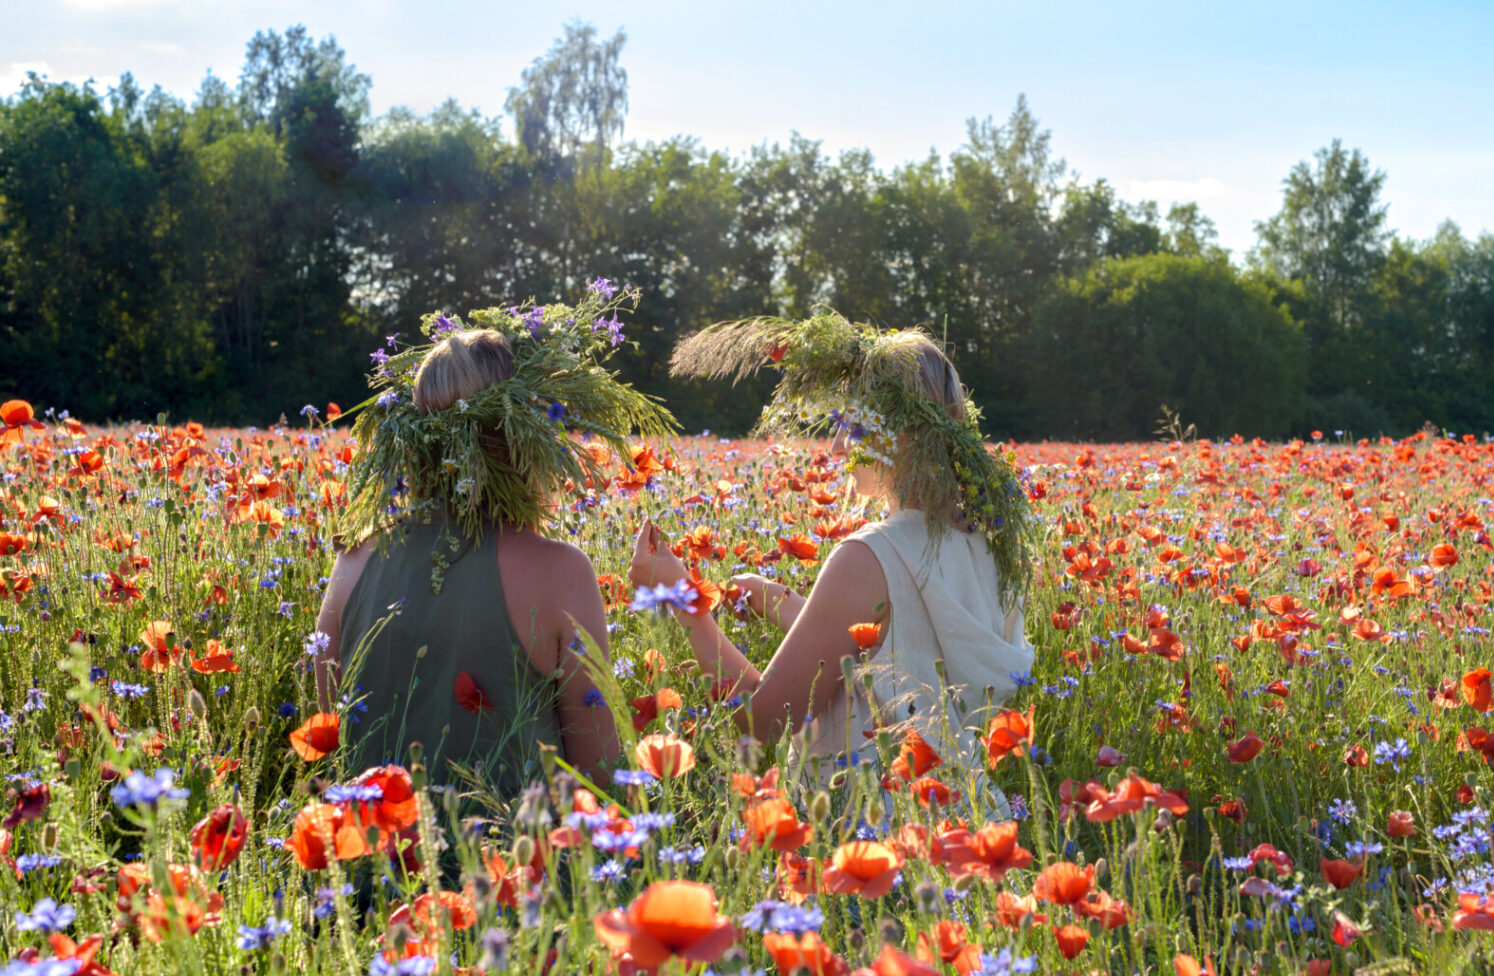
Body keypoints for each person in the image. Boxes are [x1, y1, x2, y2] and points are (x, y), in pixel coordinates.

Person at [630, 315, 1035, 788]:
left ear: (902, 434)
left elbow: (763, 722)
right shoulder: (988, 543)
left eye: (854, 426)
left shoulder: (871, 555)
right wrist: (783, 602)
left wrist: (684, 599)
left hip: (867, 819)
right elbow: (898, 656)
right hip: (956, 818)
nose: (838, 447)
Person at [313, 292, 675, 794]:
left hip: (371, 863)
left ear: (417, 434)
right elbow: (599, 778)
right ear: (527, 433)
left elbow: (337, 741)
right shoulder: (559, 574)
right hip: (511, 866)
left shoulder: (352, 561)